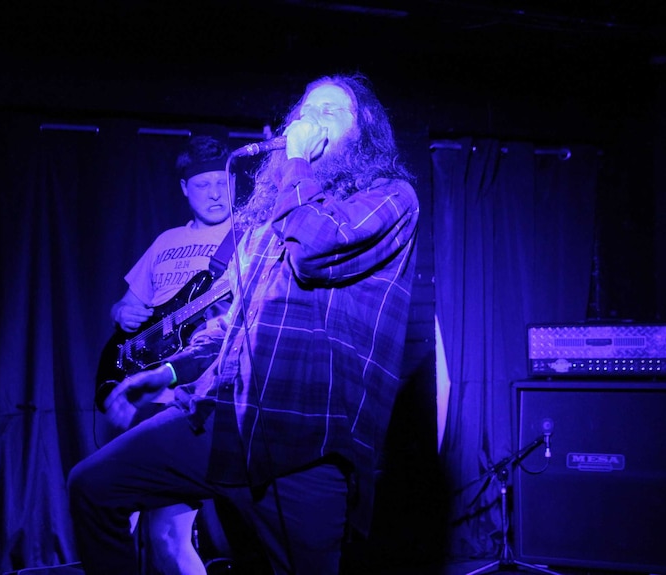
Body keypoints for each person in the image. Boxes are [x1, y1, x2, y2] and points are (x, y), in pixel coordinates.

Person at [69, 72, 420, 575]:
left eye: (329, 112)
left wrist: (296, 162)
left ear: (362, 130)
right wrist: (168, 372)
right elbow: (232, 324)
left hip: (304, 440)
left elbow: (313, 249)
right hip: (222, 419)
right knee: (93, 487)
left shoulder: (390, 196)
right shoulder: (266, 218)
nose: (309, 121)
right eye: (305, 111)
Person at [101, 133, 236, 575]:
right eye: (203, 184)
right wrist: (124, 311)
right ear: (184, 188)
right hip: (142, 393)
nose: (215, 192)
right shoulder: (166, 241)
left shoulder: (247, 239)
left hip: (192, 395)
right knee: (134, 525)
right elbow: (123, 306)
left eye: (222, 181)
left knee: (169, 533)